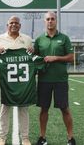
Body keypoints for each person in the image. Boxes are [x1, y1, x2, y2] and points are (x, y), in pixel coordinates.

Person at [0, 16, 33, 145]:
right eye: (11, 23)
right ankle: (2, 137)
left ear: (20, 25)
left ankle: (25, 137)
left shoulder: (27, 39)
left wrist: (32, 50)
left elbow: (31, 57)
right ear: (7, 25)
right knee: (5, 108)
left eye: (16, 23)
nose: (14, 25)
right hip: (4, 81)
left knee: (23, 108)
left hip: (22, 82)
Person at [34, 11, 76, 145]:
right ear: (44, 21)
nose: (50, 21)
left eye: (52, 19)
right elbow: (34, 58)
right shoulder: (39, 39)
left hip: (60, 80)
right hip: (44, 80)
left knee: (65, 108)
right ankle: (42, 137)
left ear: (56, 21)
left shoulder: (64, 38)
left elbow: (71, 57)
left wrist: (56, 58)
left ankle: (70, 138)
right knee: (44, 109)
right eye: (48, 19)